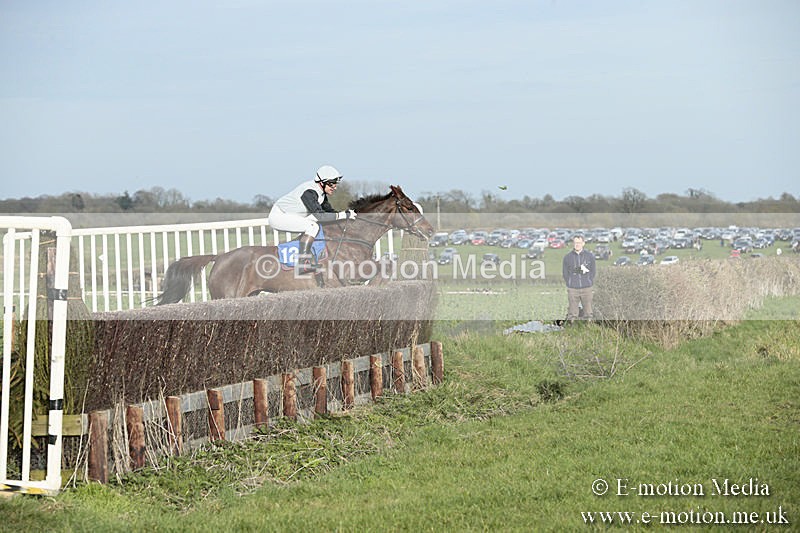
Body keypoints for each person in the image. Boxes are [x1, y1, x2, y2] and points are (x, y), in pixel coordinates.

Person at [268, 165, 356, 273]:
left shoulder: (321, 194)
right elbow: (320, 216)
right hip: (279, 216)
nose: (335, 187)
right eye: (332, 183)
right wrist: (343, 215)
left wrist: (348, 216)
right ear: (321, 182)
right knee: (312, 226)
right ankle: (302, 263)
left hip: (289, 215)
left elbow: (330, 213)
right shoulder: (309, 192)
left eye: (335, 183)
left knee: (315, 225)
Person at [562, 234, 596, 321]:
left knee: (588, 313)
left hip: (587, 288)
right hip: (573, 289)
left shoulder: (590, 256)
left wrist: (588, 281)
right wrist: (570, 282)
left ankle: (589, 329)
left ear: (583, 243)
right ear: (573, 244)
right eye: (575, 242)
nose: (577, 244)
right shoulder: (567, 257)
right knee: (572, 313)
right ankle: (572, 330)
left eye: (579, 242)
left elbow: (593, 271)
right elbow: (565, 273)